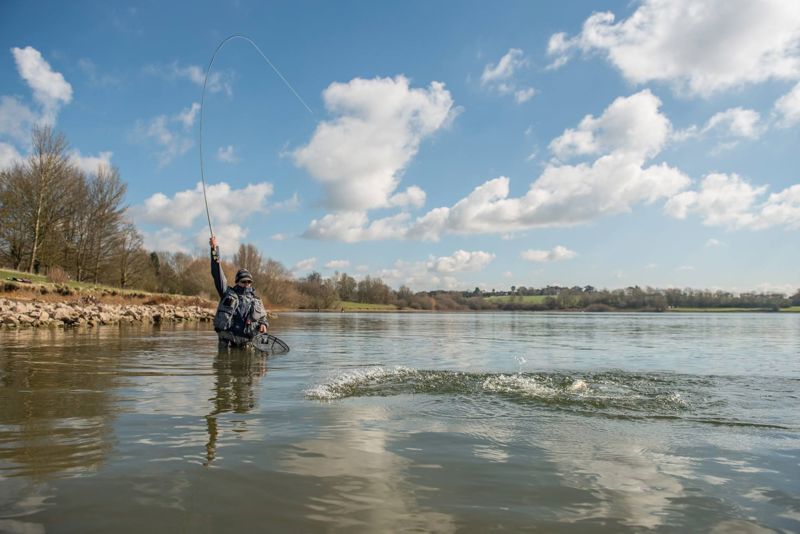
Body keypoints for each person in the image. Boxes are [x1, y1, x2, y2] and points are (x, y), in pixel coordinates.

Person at [210, 235, 269, 348]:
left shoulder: (257, 300)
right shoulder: (226, 292)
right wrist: (214, 249)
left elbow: (263, 318)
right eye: (243, 281)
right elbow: (217, 272)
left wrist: (264, 325)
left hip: (247, 342)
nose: (246, 284)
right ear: (237, 282)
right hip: (227, 339)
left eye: (249, 282)